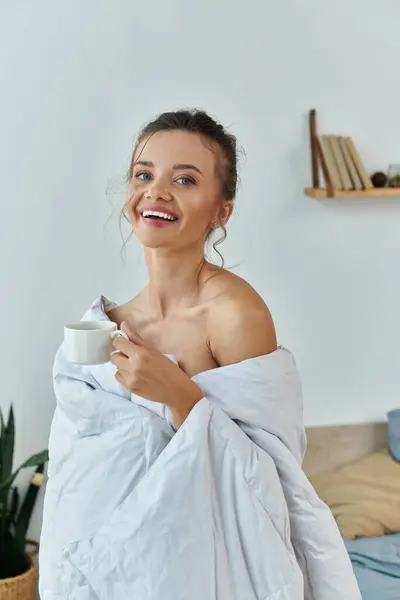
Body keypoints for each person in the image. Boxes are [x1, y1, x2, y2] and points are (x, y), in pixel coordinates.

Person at [39, 110, 361, 600]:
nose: (156, 191)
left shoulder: (234, 313)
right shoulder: (110, 325)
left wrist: (181, 397)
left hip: (202, 574)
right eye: (144, 174)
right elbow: (76, 486)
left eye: (185, 179)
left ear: (221, 211)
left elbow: (272, 485)